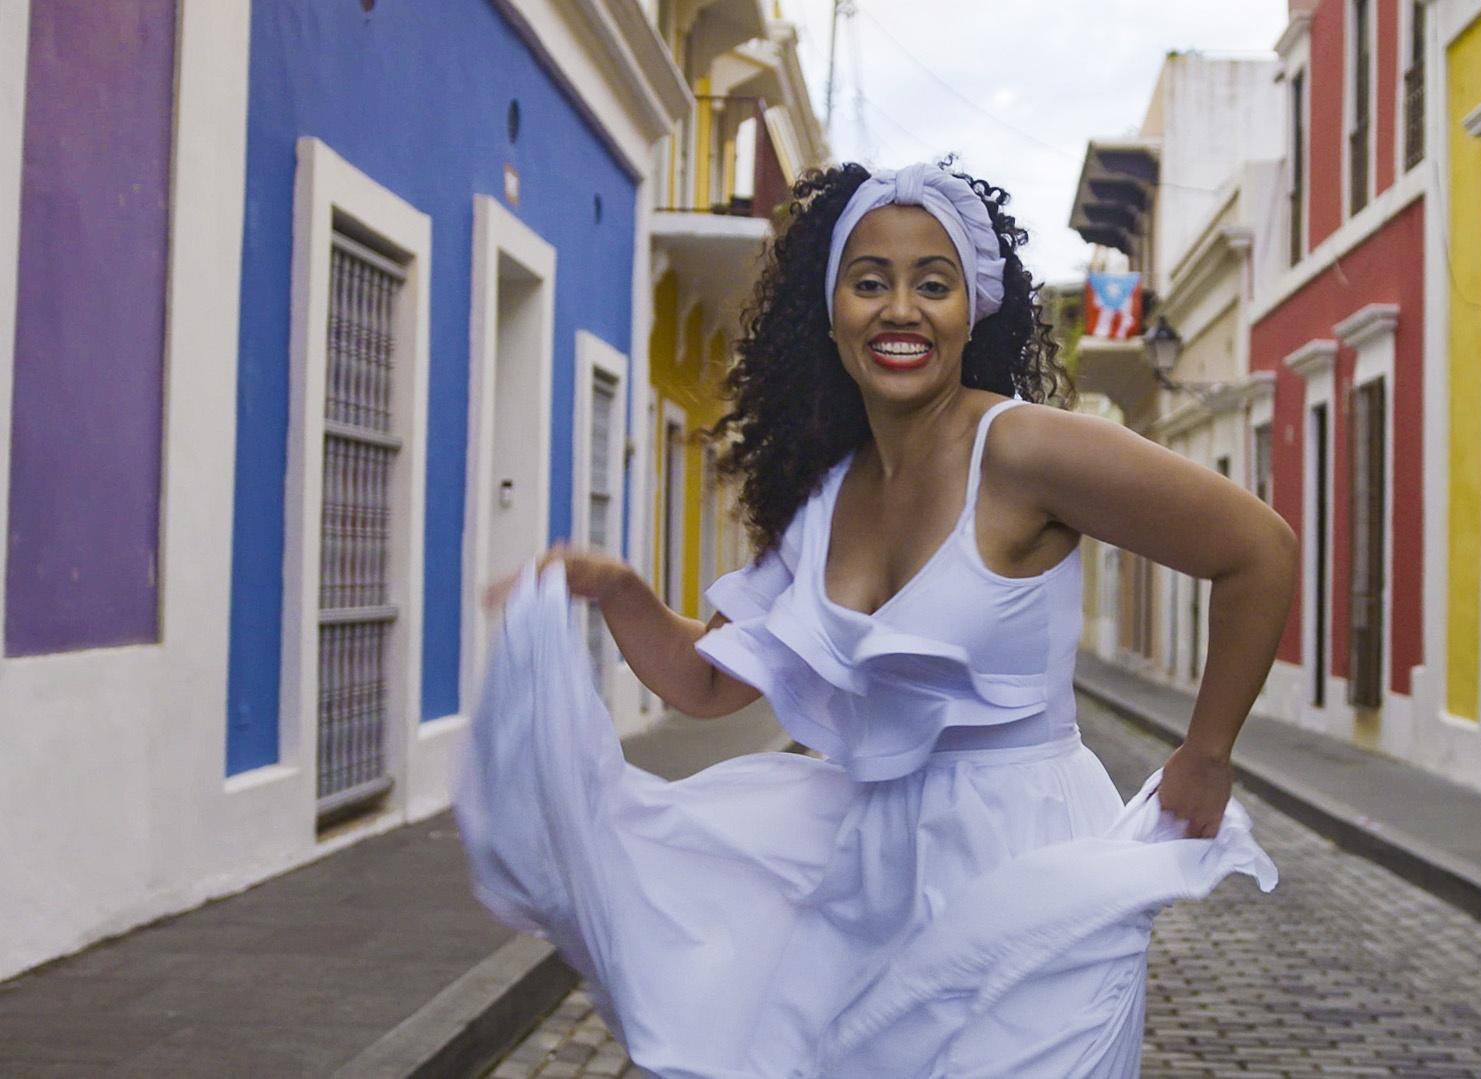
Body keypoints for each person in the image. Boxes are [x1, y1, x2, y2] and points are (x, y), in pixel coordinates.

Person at [458, 160, 1299, 1078]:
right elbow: (708, 680)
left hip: (1034, 870)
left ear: (971, 307)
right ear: (831, 314)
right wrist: (618, 591)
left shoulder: (1023, 448)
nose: (901, 309)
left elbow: (1257, 550)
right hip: (874, 880)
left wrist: (1206, 750)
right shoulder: (827, 496)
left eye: (932, 283)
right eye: (871, 282)